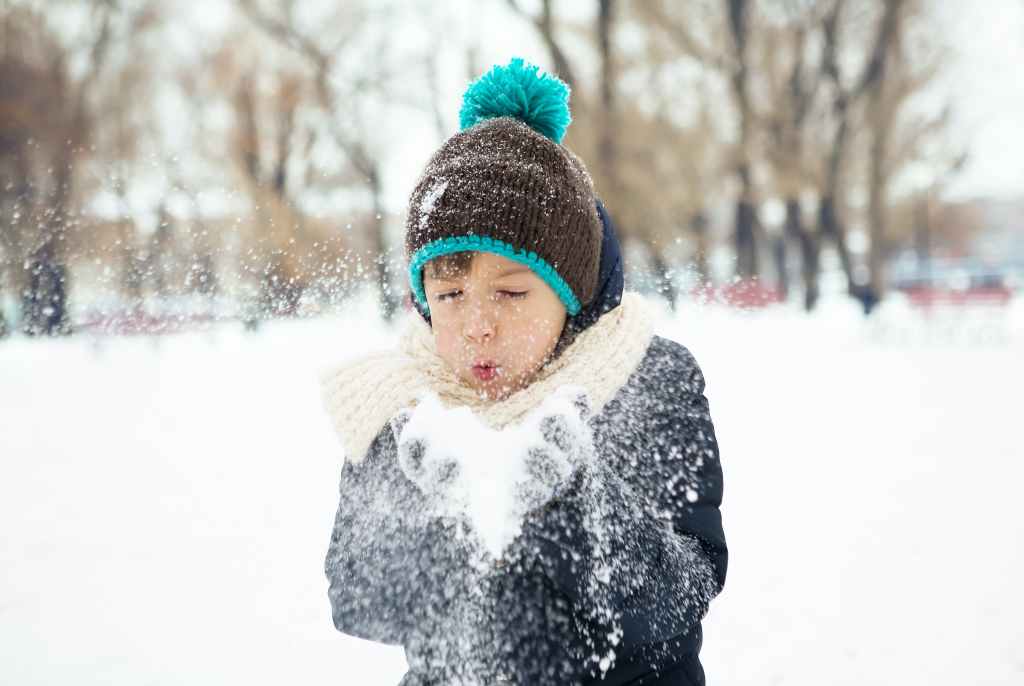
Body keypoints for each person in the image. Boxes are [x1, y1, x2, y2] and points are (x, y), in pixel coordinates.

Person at [320, 57, 727, 685]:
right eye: (450, 297)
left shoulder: (645, 381)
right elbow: (357, 596)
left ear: (570, 296)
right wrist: (444, 517)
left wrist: (574, 503)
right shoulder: (401, 405)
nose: (478, 325)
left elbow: (688, 587)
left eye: (511, 294)